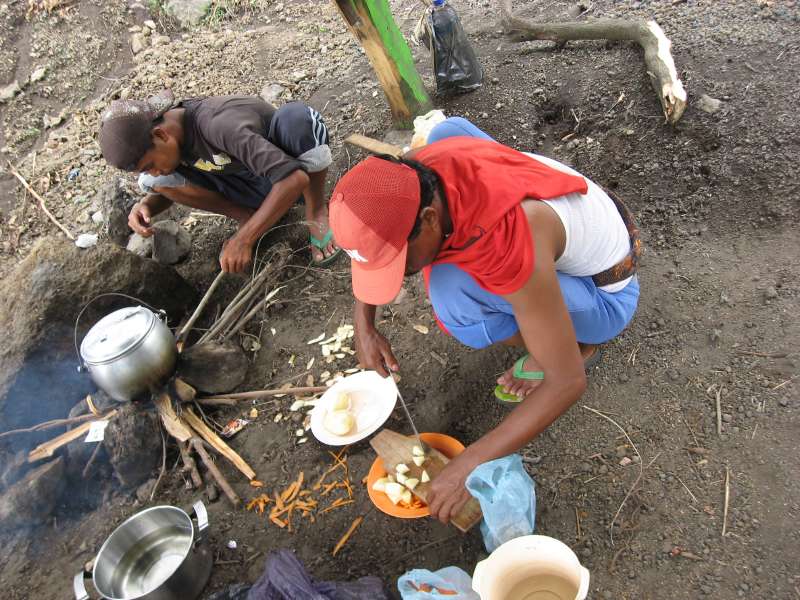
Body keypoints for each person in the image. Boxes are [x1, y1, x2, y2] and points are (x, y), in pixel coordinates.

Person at [329, 117, 641, 524]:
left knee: (454, 300)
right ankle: (548, 324)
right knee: (447, 130)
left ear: (427, 219)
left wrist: (468, 464)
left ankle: (580, 344)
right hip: (581, 217)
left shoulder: (510, 240)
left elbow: (567, 384)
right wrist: (364, 325)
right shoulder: (413, 172)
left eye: (398, 262)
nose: (401, 274)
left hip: (607, 292)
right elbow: (371, 238)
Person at [98, 90, 340, 272]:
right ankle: (247, 218)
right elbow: (168, 184)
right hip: (252, 186)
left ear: (161, 134)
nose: (153, 171)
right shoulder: (170, 140)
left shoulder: (217, 125)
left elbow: (292, 179)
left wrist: (243, 241)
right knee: (155, 182)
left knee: (296, 118)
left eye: (149, 165)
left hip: (292, 176)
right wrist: (148, 206)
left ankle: (317, 211)